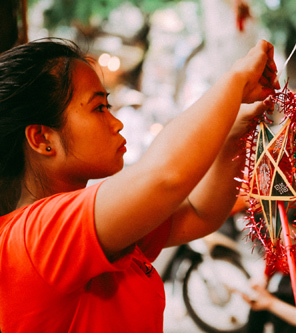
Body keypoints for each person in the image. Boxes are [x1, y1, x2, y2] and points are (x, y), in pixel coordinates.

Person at [0, 37, 279, 332]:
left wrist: (233, 136)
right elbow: (164, 177)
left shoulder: (99, 229)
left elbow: (199, 212)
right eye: (99, 108)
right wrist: (235, 82)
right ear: (43, 139)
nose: (117, 122)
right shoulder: (35, 237)